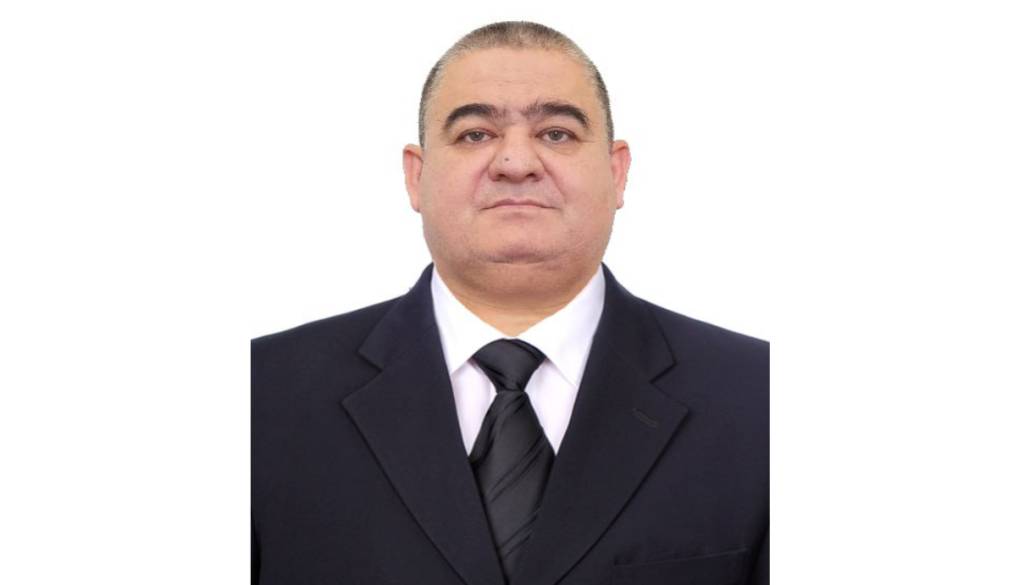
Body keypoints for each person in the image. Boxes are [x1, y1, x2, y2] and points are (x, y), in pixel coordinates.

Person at [252, 20, 768, 585]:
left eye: (557, 134)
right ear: (416, 177)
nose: (516, 163)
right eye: (475, 134)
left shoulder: (761, 398)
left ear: (617, 172)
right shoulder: (260, 394)